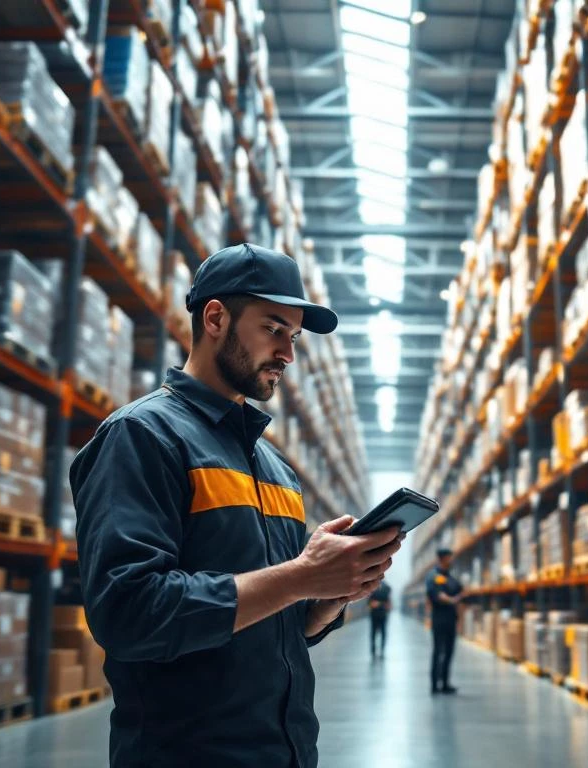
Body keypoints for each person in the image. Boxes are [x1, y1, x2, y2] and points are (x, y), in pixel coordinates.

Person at [71, 243, 404, 768]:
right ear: (215, 319)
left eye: (294, 337)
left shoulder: (276, 469)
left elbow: (277, 625)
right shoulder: (142, 436)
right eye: (273, 329)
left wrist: (328, 595)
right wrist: (300, 576)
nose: (288, 354)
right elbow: (127, 613)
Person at [426, 547, 463, 694]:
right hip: (439, 619)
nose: (452, 560)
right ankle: (435, 685)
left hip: (451, 619)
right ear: (443, 558)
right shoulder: (433, 576)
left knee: (449, 651)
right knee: (438, 651)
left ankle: (445, 683)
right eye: (450, 557)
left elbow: (461, 591)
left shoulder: (450, 577)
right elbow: (437, 595)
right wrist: (452, 600)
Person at [368, 580, 392, 659]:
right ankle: (376, 650)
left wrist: (377, 603)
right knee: (379, 633)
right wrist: (382, 604)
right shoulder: (386, 588)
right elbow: (371, 603)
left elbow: (371, 603)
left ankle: (378, 651)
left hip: (379, 614)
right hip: (378, 615)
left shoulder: (372, 587)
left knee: (376, 633)